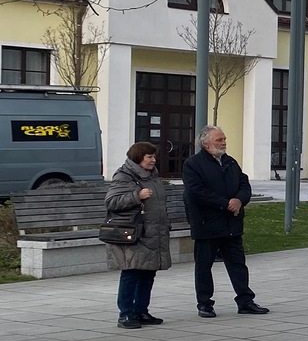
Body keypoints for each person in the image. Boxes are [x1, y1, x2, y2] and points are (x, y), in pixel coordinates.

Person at [181, 126, 267, 317]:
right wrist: (225, 203)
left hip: (231, 224)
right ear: (206, 143)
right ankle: (205, 303)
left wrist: (239, 200)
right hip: (207, 224)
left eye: (224, 139)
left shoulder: (230, 162)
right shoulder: (193, 164)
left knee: (238, 264)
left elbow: (244, 184)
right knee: (204, 266)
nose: (224, 143)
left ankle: (245, 301)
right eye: (219, 140)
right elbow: (196, 191)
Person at [105, 141, 171, 329]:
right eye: (149, 156)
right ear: (138, 158)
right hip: (134, 234)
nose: (153, 160)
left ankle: (141, 311)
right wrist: (136, 196)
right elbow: (111, 202)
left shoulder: (152, 176)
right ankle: (126, 314)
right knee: (131, 273)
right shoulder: (124, 176)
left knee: (148, 273)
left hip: (152, 233)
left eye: (154, 156)